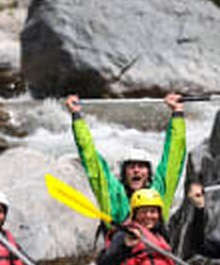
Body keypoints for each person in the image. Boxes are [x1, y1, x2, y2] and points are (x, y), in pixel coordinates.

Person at [65, 92, 186, 225]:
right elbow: (90, 157)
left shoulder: (159, 191)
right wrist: (76, 115)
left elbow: (174, 154)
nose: (136, 171)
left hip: (153, 244)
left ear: (148, 173)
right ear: (124, 172)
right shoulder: (112, 194)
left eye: (141, 167)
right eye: (132, 167)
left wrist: (177, 112)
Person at [97, 189, 214, 265]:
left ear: (159, 214)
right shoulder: (125, 234)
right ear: (135, 214)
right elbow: (105, 264)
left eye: (153, 212)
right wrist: (126, 245)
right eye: (143, 212)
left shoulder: (161, 239)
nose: (148, 216)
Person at [167, 180, 206, 258]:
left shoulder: (205, 213)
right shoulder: (176, 211)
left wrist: (200, 209)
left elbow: (198, 243)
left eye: (198, 195)